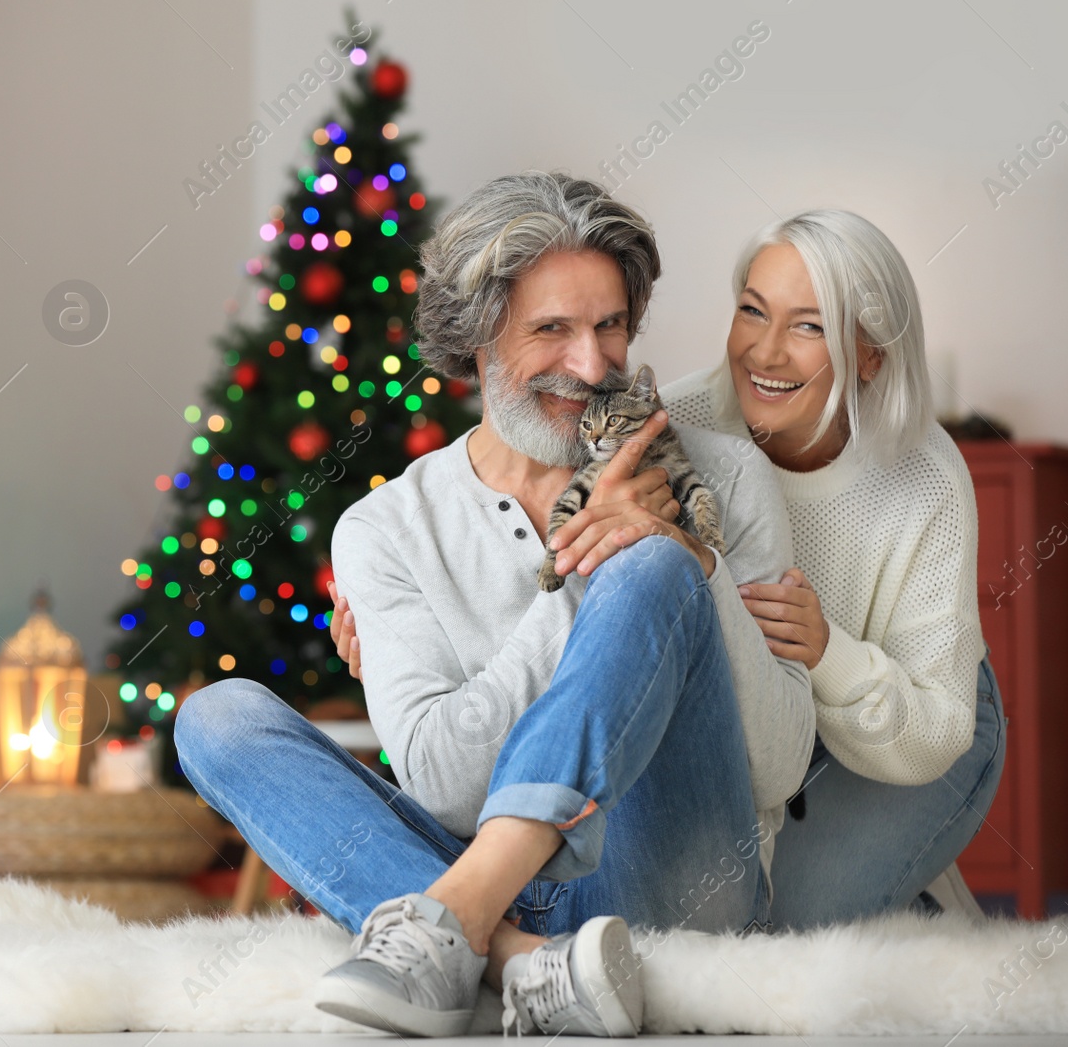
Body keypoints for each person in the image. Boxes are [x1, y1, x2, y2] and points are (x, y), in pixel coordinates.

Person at [174, 171, 814, 1039]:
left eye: (610, 326)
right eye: (552, 330)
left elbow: (777, 766)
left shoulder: (724, 476)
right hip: (473, 863)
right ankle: (523, 960)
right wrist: (579, 566)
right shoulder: (386, 530)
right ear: (476, 342)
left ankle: (454, 928)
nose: (591, 367)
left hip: (668, 884)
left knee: (654, 566)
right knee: (216, 717)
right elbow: (438, 782)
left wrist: (674, 562)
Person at [657, 210, 1006, 927]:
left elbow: (939, 729)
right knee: (699, 915)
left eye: (809, 327)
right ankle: (891, 881)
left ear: (871, 354)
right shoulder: (678, 424)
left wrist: (826, 652)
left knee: (775, 930)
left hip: (920, 717)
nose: (766, 351)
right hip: (756, 724)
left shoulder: (926, 476)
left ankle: (909, 874)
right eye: (752, 311)